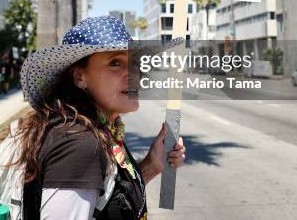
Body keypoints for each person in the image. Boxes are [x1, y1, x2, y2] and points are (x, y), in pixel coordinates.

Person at [18, 16, 186, 218]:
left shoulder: (101, 130)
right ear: (80, 77)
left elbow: (110, 201)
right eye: (115, 62)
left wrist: (151, 165)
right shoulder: (79, 143)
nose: (132, 73)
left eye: (133, 62)